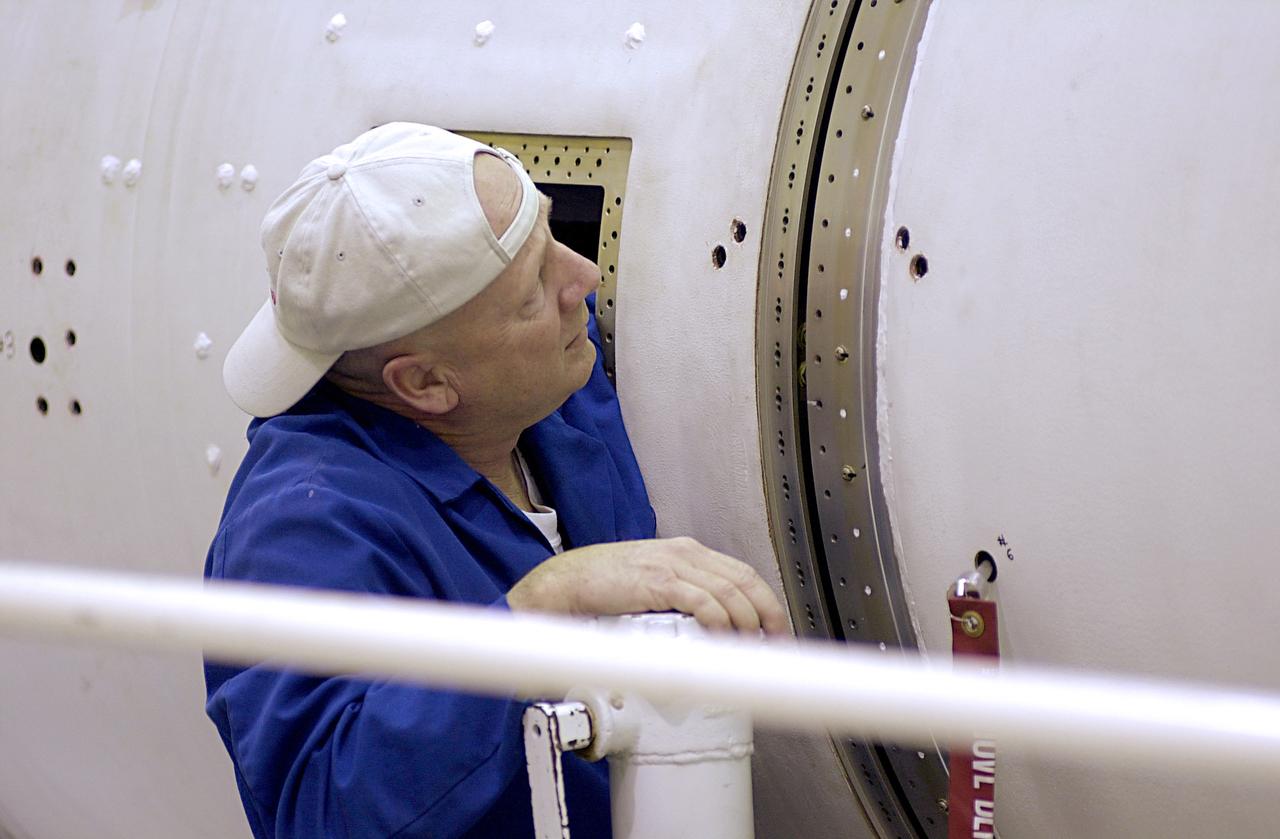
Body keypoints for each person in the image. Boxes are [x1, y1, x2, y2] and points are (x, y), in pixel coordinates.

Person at [204, 122, 787, 839]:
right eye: (536, 288)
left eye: (550, 235)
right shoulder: (299, 530)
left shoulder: (539, 381)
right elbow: (321, 808)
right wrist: (542, 608)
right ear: (424, 383)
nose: (586, 280)